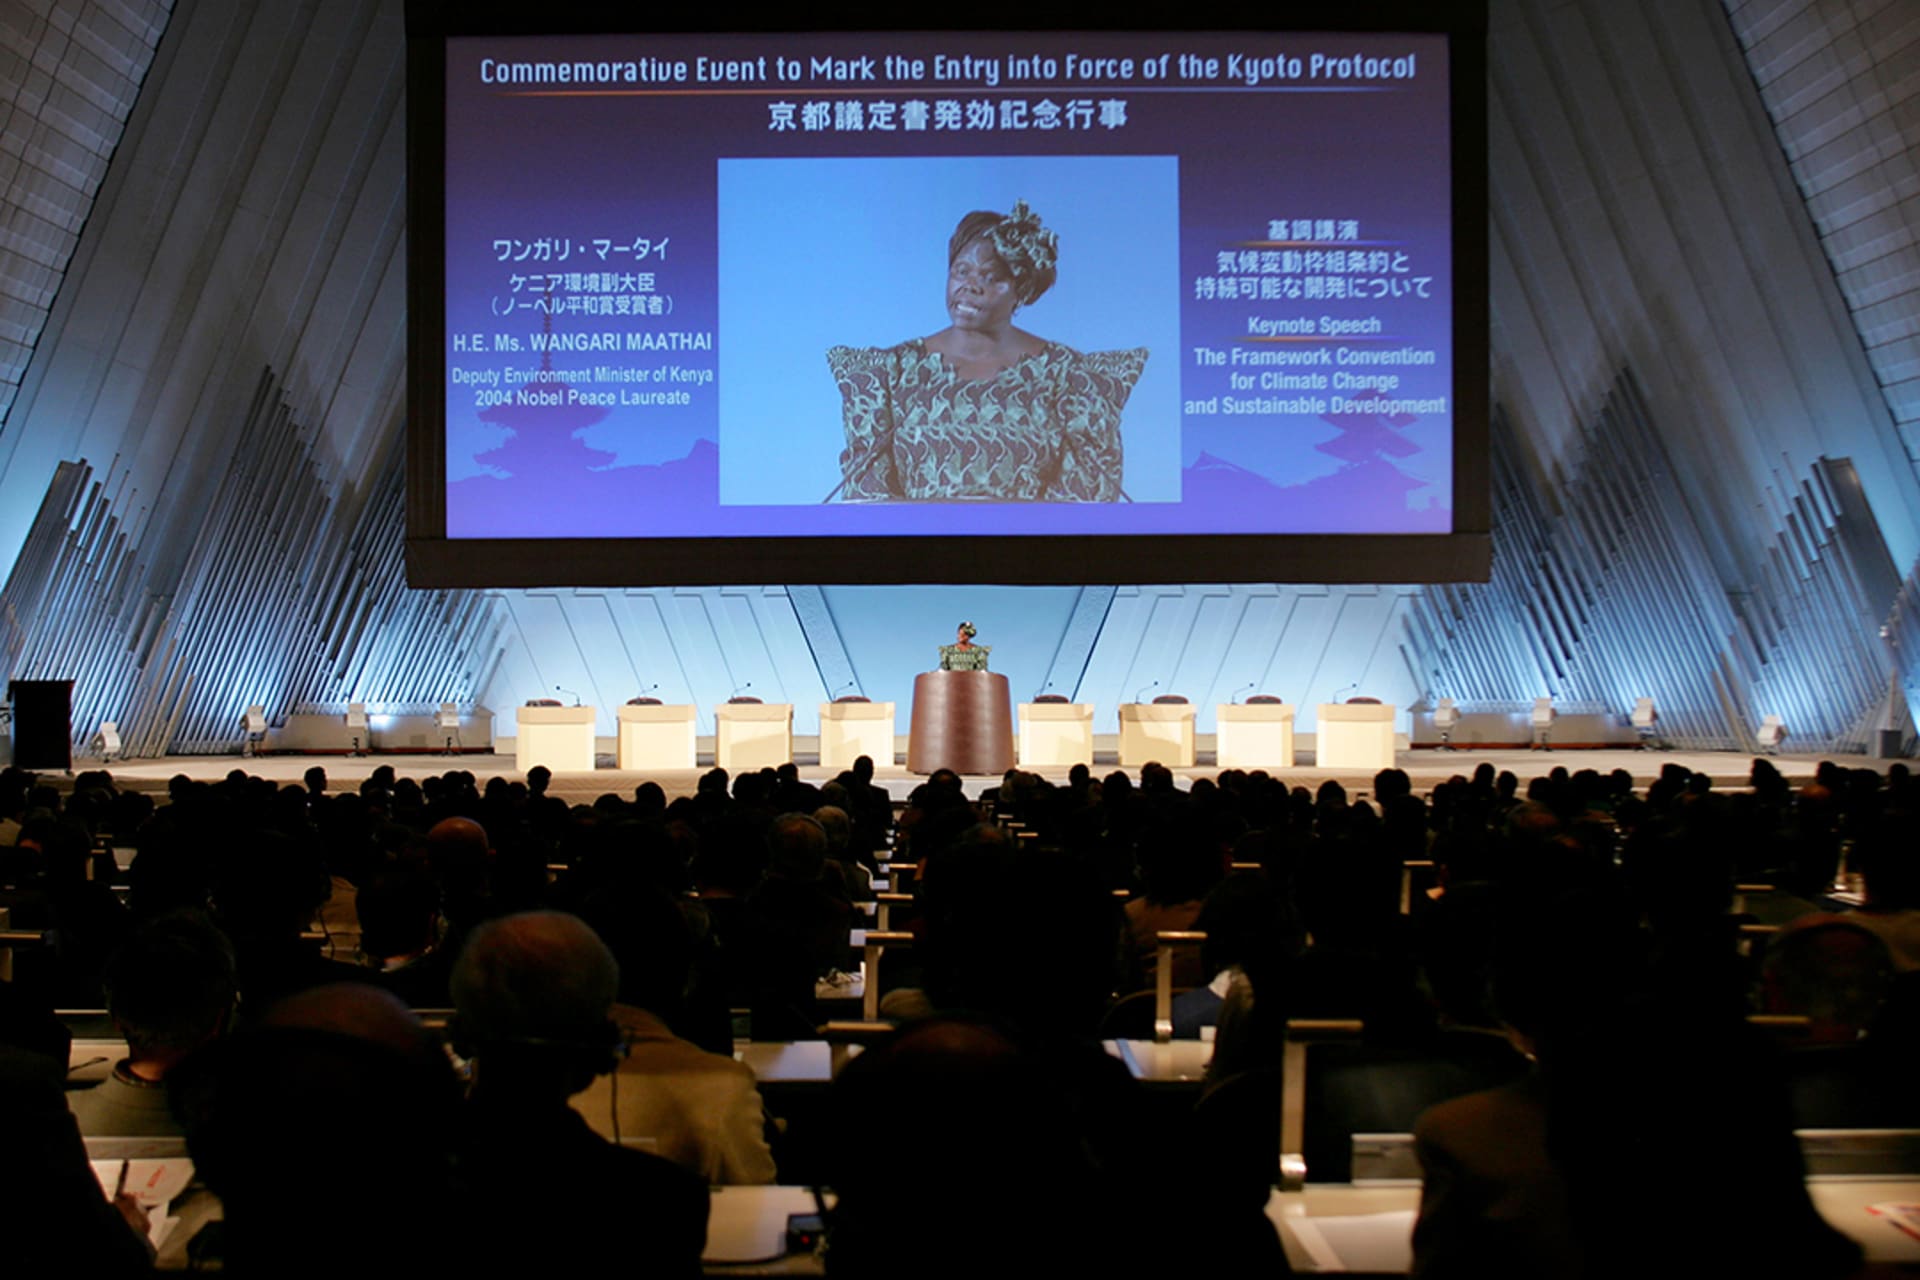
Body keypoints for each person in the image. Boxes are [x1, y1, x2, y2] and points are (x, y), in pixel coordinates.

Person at [827, 199, 1147, 502]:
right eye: (961, 271)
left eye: (990, 276)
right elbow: (867, 504)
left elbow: (1087, 505)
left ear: (1021, 289)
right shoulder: (891, 372)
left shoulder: (1069, 377)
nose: (970, 285)